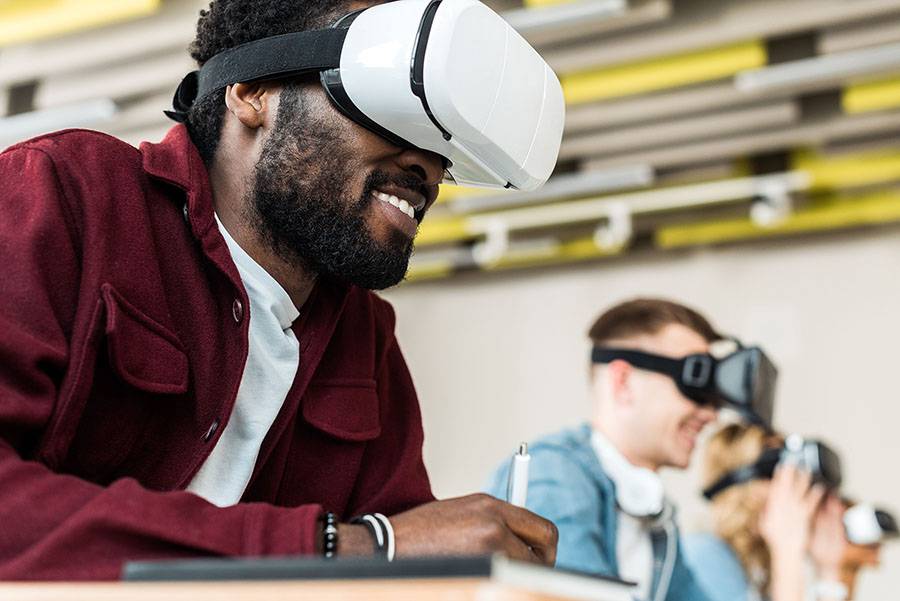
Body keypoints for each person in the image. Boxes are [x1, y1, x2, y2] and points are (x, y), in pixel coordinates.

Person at [0, 0, 557, 579]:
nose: (427, 168)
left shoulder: (362, 336)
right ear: (253, 91)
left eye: (442, 147)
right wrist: (347, 548)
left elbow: (403, 553)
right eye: (389, 111)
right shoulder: (63, 197)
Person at [486, 298, 722, 601]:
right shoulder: (556, 476)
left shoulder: (655, 516)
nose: (710, 414)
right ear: (623, 382)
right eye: (695, 383)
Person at [683, 424, 849, 601]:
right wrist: (788, 551)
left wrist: (828, 571)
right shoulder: (704, 554)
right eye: (777, 472)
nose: (794, 485)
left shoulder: (756, 570)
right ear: (741, 482)